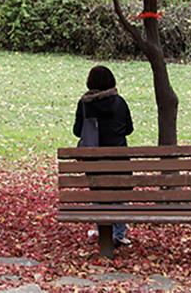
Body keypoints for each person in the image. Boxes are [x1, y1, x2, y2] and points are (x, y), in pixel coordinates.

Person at [73, 64, 134, 246]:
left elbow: (77, 131)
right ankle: (119, 232)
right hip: (119, 161)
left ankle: (104, 232)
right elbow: (129, 129)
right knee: (119, 196)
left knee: (99, 195)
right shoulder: (120, 102)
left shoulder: (85, 104)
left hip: (95, 161)